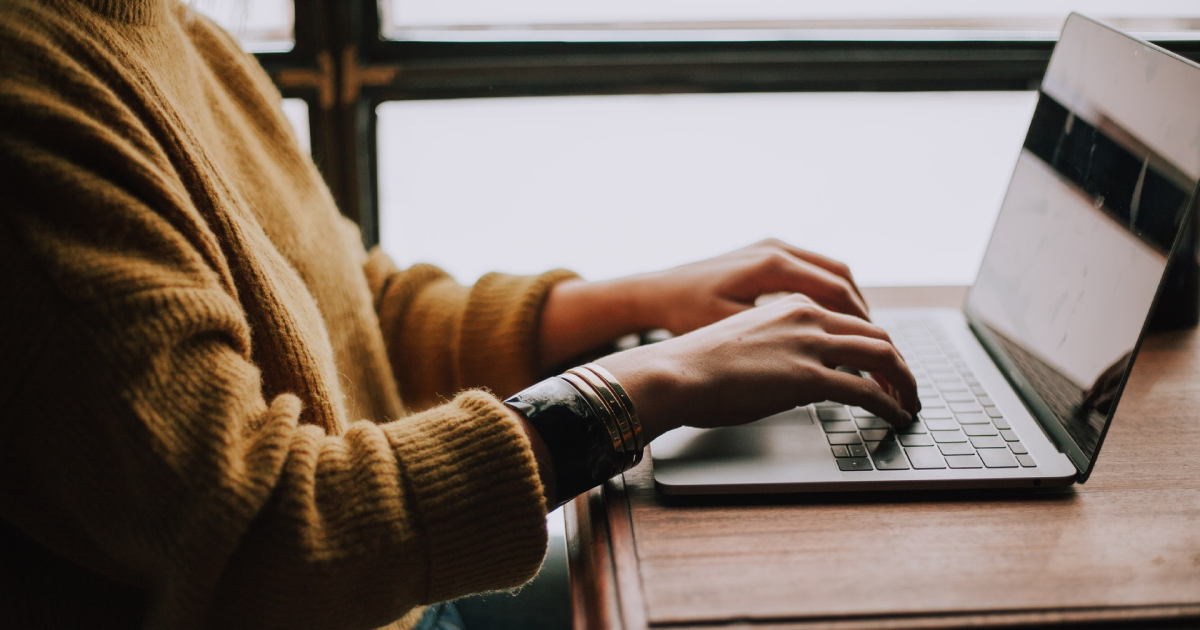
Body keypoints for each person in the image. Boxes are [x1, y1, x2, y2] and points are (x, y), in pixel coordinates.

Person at [0, 1, 919, 628]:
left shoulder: (172, 32)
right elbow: (266, 538)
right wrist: (645, 385)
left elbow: (357, 312)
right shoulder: (32, 100)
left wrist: (641, 303)